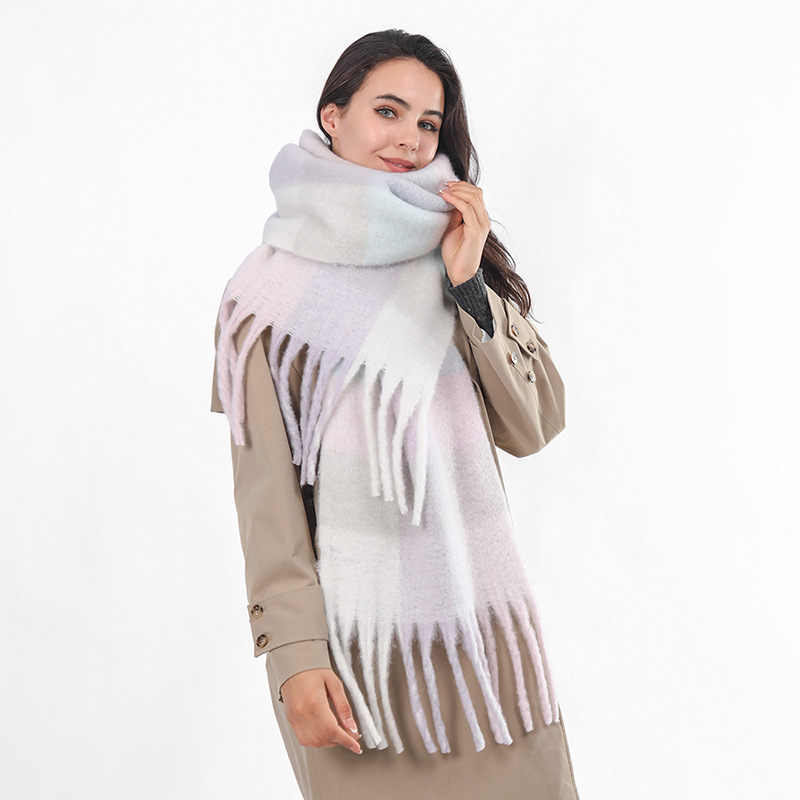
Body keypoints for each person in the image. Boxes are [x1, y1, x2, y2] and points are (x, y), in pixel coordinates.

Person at [211, 28, 580, 800]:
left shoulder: (452, 254)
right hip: (359, 664)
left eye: (428, 122)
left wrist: (469, 284)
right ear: (333, 115)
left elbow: (536, 422)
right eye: (388, 111)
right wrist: (295, 654)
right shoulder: (266, 296)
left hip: (483, 652)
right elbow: (266, 498)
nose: (410, 138)